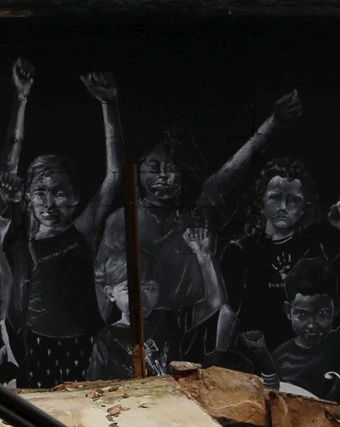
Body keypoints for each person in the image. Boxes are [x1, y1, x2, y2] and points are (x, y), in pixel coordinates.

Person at [96, 89, 301, 371]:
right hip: (139, 335)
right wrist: (110, 335)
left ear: (184, 170)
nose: (164, 177)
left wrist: (273, 123)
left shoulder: (201, 210)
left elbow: (235, 167)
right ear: (140, 168)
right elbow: (103, 279)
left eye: (172, 168)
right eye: (154, 167)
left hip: (196, 328)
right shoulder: (122, 220)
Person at [1, 65, 124, 387]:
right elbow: (9, 170)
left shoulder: (81, 230)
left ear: (74, 197)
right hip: (37, 347)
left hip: (83, 345)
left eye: (58, 192)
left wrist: (108, 104)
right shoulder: (20, 236)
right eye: (40, 192)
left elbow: (113, 176)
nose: (49, 203)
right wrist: (20, 99)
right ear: (28, 196)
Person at [215, 96, 340, 355]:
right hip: (254, 359)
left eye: (294, 199)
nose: (284, 206)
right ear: (261, 202)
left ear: (305, 206)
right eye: (275, 197)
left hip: (305, 360)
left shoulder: (314, 245)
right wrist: (218, 356)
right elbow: (228, 309)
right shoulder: (239, 249)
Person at [234, 202, 340, 403]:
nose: (312, 324)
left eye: (321, 314)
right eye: (302, 315)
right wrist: (262, 354)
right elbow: (273, 398)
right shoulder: (280, 357)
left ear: (336, 308)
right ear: (289, 311)